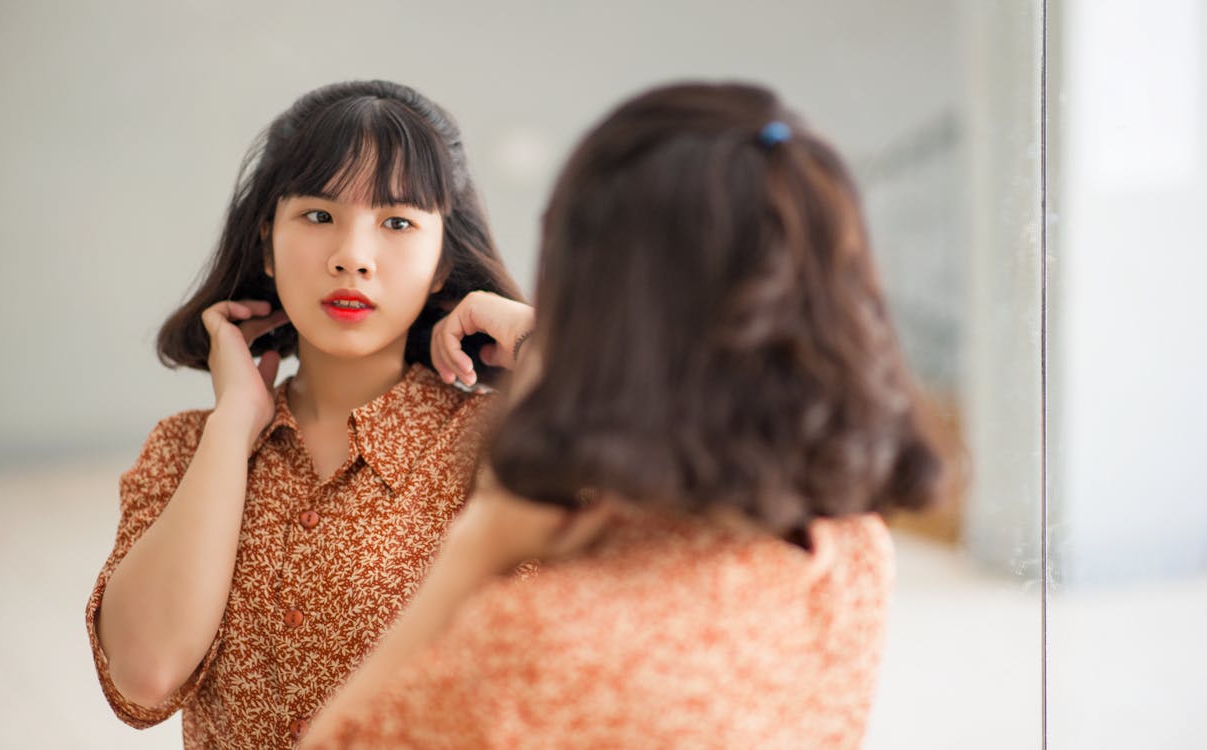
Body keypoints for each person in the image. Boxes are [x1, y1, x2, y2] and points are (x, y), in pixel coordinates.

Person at [302, 81, 945, 750]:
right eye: (318, 215)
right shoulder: (849, 553)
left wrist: (471, 556)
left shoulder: (540, 643)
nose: (354, 257)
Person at [84, 79, 534, 749]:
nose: (352, 255)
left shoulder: (506, 451)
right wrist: (233, 423)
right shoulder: (187, 452)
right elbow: (145, 677)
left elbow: (697, 460)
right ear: (267, 245)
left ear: (443, 261)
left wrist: (536, 335)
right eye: (319, 216)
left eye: (398, 222)